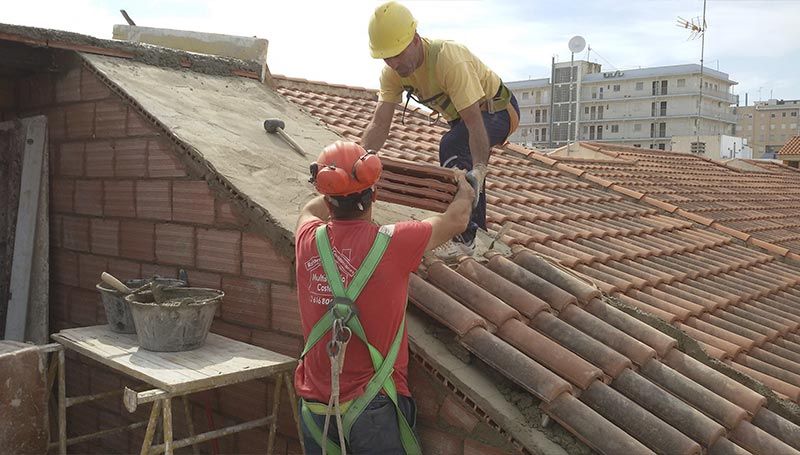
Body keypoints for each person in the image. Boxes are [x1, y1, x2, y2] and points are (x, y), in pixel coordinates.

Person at [294, 141, 475, 454]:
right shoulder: (395, 242)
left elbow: (309, 209)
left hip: (315, 408)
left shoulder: (308, 238)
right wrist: (465, 189)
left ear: (327, 195)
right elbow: (456, 221)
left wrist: (336, 185)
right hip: (373, 406)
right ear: (373, 195)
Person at [361, 1, 520, 260]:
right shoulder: (392, 73)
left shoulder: (448, 59)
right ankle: (476, 231)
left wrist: (480, 168)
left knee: (454, 149)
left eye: (398, 54)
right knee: (459, 156)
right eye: (387, 57)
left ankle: (464, 238)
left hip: (497, 110)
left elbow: (474, 123)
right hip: (463, 120)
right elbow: (380, 123)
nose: (394, 63)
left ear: (414, 39)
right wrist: (360, 158)